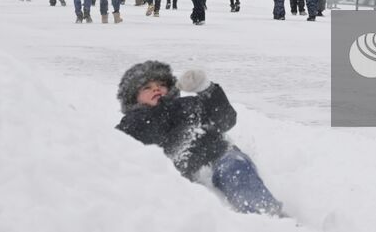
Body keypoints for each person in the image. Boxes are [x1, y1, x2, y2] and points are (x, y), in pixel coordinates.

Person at [116, 62, 282, 216]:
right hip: (177, 172)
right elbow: (116, 152)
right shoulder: (133, 123)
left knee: (236, 168)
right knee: (184, 198)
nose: (156, 89)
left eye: (161, 85)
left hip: (218, 154)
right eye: (147, 87)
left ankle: (266, 214)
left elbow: (225, 119)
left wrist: (206, 89)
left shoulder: (189, 105)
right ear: (133, 97)